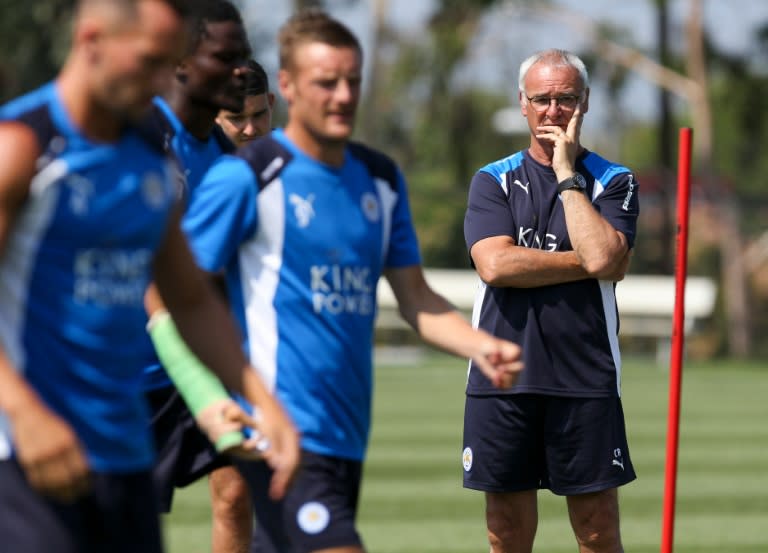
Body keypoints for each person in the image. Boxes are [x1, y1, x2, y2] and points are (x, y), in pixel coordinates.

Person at [191, 9, 524, 553]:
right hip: (280, 426)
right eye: (327, 82)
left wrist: (480, 344)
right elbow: (177, 293)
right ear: (290, 86)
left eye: (353, 80)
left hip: (345, 430)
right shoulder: (246, 177)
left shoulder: (380, 179)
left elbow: (415, 298)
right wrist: (215, 395)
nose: (343, 95)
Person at [0, 1, 298, 552]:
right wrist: (21, 413)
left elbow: (186, 299)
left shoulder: (147, 158)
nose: (164, 81)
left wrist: (260, 400)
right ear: (92, 41)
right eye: (151, 62)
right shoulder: (22, 147)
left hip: (125, 451)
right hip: (29, 453)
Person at [461, 48, 640, 553]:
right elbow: (495, 265)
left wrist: (566, 174)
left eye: (565, 99)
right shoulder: (492, 179)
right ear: (522, 103)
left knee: (598, 529)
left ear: (585, 103)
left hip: (585, 375)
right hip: (503, 375)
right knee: (506, 531)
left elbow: (607, 254)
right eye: (542, 99)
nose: (553, 111)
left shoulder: (614, 179)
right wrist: (584, 262)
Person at [136, 3, 268, 553]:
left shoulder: (232, 162)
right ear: (182, 63)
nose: (240, 71)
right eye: (225, 56)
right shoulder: (137, 139)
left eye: (242, 56)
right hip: (134, 368)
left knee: (237, 491)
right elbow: (153, 281)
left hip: (211, 354)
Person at [216, 59, 275, 147]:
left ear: (270, 102)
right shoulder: (198, 158)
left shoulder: (296, 153)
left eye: (258, 115)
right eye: (237, 118)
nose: (250, 131)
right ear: (214, 113)